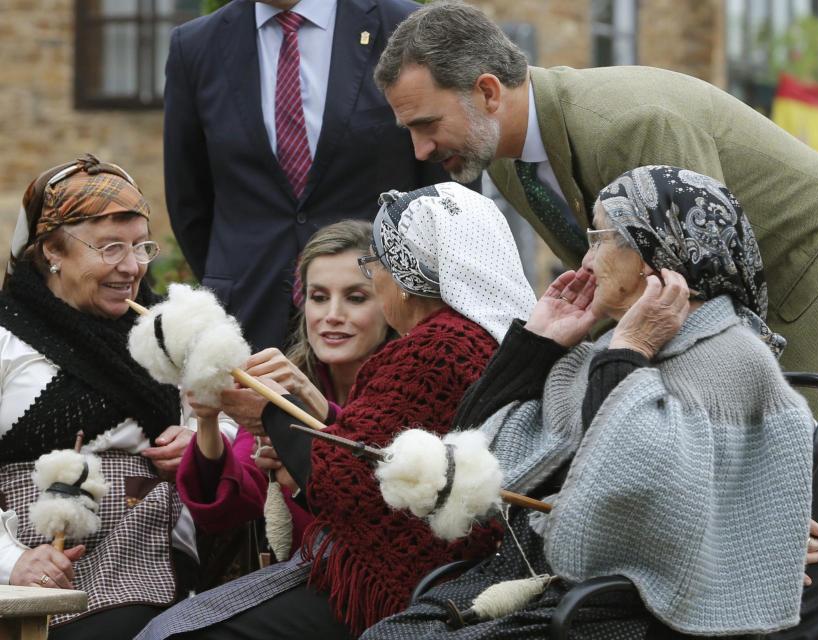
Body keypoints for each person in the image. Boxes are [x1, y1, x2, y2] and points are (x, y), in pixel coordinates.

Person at [374, 6, 818, 635]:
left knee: (801, 566)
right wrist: (543, 348)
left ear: (488, 91)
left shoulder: (632, 124)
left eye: (427, 123)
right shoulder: (504, 159)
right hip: (704, 323)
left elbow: (690, 280)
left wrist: (750, 492)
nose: (420, 148)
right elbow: (622, 291)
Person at [364, 166, 817, 639]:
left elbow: (624, 493)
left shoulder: (731, 358)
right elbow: (468, 461)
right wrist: (539, 344)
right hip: (543, 587)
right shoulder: (615, 347)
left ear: (650, 253)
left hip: (620, 608)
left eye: (600, 237)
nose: (586, 259)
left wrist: (628, 352)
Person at [135, 182, 537, 640]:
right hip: (419, 572)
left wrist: (270, 416)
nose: (333, 315)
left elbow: (352, 481)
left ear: (404, 279)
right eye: (318, 297)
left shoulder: (436, 349)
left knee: (174, 634)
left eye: (370, 275)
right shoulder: (473, 339)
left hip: (414, 584)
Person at [0, 155, 233, 640]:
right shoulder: (6, 341)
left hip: (143, 561)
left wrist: (198, 440)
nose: (131, 267)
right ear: (51, 252)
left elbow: (230, 420)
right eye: (109, 248)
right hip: (20, 568)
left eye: (140, 247)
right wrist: (13, 561)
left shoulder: (166, 336)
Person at [163, 0, 458, 353]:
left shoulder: (407, 28)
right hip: (247, 318)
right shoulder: (196, 45)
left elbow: (447, 188)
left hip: (383, 319)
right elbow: (189, 201)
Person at [176, 220, 392, 560]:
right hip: (296, 577)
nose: (332, 315)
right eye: (318, 297)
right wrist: (206, 419)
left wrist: (305, 450)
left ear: (390, 303)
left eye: (355, 297)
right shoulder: (275, 380)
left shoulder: (408, 379)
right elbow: (223, 511)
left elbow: (390, 501)